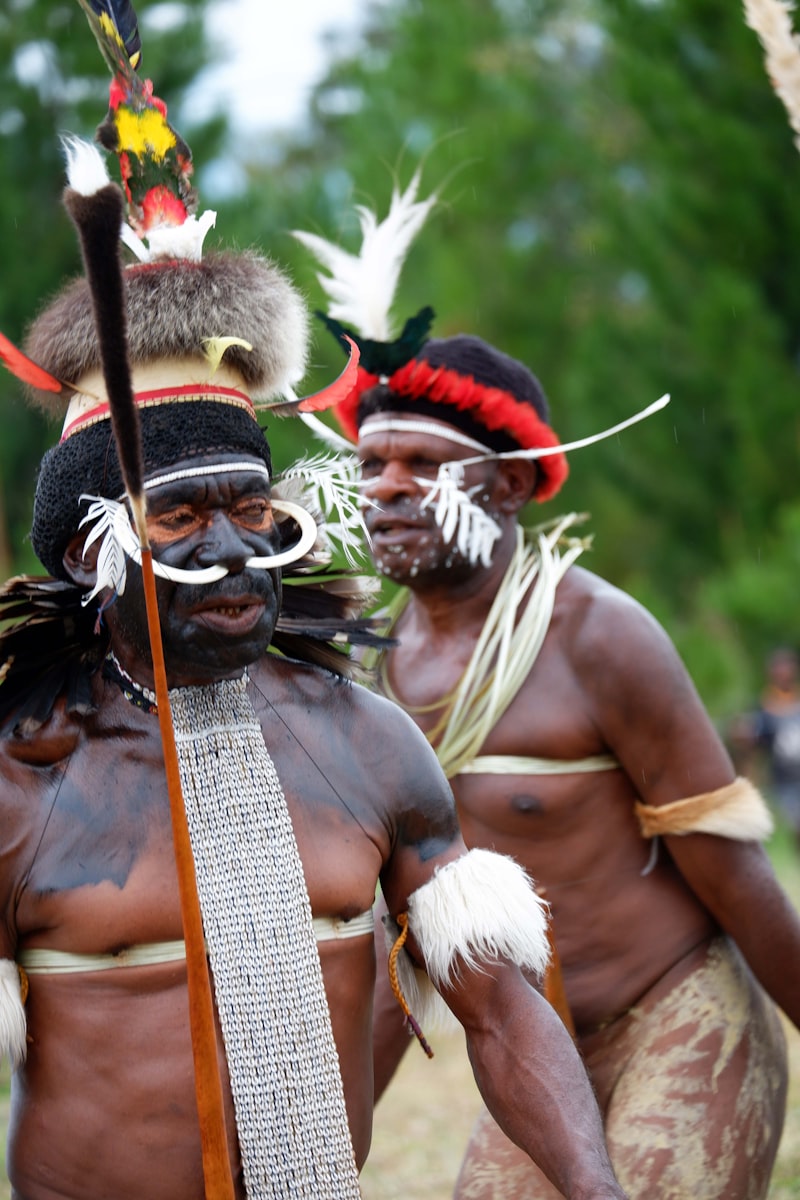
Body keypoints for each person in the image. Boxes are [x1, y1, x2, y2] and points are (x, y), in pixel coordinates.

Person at [0, 13, 629, 1200]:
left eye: (252, 505)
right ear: (94, 550)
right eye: (181, 518)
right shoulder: (20, 770)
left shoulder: (361, 741)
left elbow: (500, 1014)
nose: (235, 547)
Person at [294, 192, 800, 1198]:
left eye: (423, 464)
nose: (387, 486)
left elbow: (730, 875)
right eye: (371, 464)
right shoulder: (368, 676)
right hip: (535, 1056)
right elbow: (406, 954)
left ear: (512, 486)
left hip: (677, 1017)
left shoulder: (594, 635)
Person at [731, 647, 800, 851]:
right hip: (783, 781)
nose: (783, 673)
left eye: (787, 667)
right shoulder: (764, 707)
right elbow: (754, 740)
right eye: (779, 668)